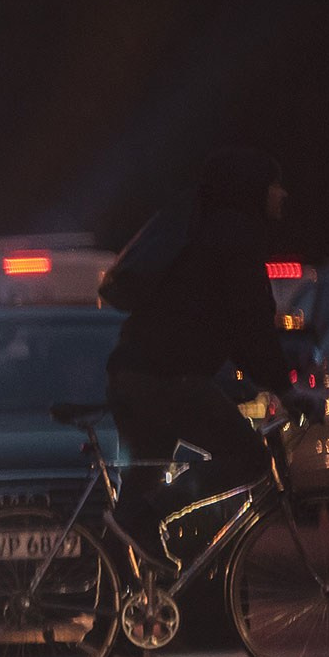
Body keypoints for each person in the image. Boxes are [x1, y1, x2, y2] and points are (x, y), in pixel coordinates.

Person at [104, 149, 315, 569]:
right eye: (275, 184)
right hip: (168, 379)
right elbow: (251, 324)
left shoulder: (204, 229)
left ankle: (113, 620)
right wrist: (286, 388)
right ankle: (150, 515)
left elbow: (231, 328)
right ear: (254, 188)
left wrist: (265, 380)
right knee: (249, 460)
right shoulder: (236, 236)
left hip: (134, 374)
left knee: (131, 506)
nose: (283, 194)